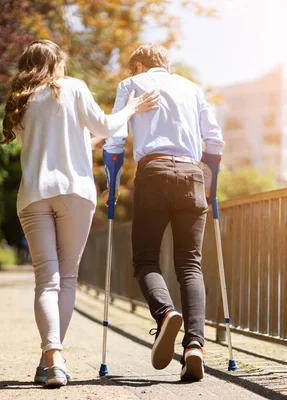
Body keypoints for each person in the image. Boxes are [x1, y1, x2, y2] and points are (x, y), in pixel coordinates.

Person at [1, 40, 159, 387]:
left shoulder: (22, 99)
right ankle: (53, 357)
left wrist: (88, 144)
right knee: (67, 277)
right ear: (56, 63)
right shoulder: (72, 88)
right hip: (74, 192)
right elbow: (105, 125)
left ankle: (51, 357)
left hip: (33, 196)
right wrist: (131, 109)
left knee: (46, 279)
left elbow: (53, 143)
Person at [103, 43, 224, 381]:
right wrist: (210, 184)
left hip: (153, 172)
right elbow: (214, 141)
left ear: (140, 64)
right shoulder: (192, 88)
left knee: (145, 260)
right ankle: (195, 346)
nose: (130, 74)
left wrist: (111, 182)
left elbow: (115, 139)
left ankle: (165, 313)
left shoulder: (131, 86)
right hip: (191, 175)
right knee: (190, 264)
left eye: (132, 68)